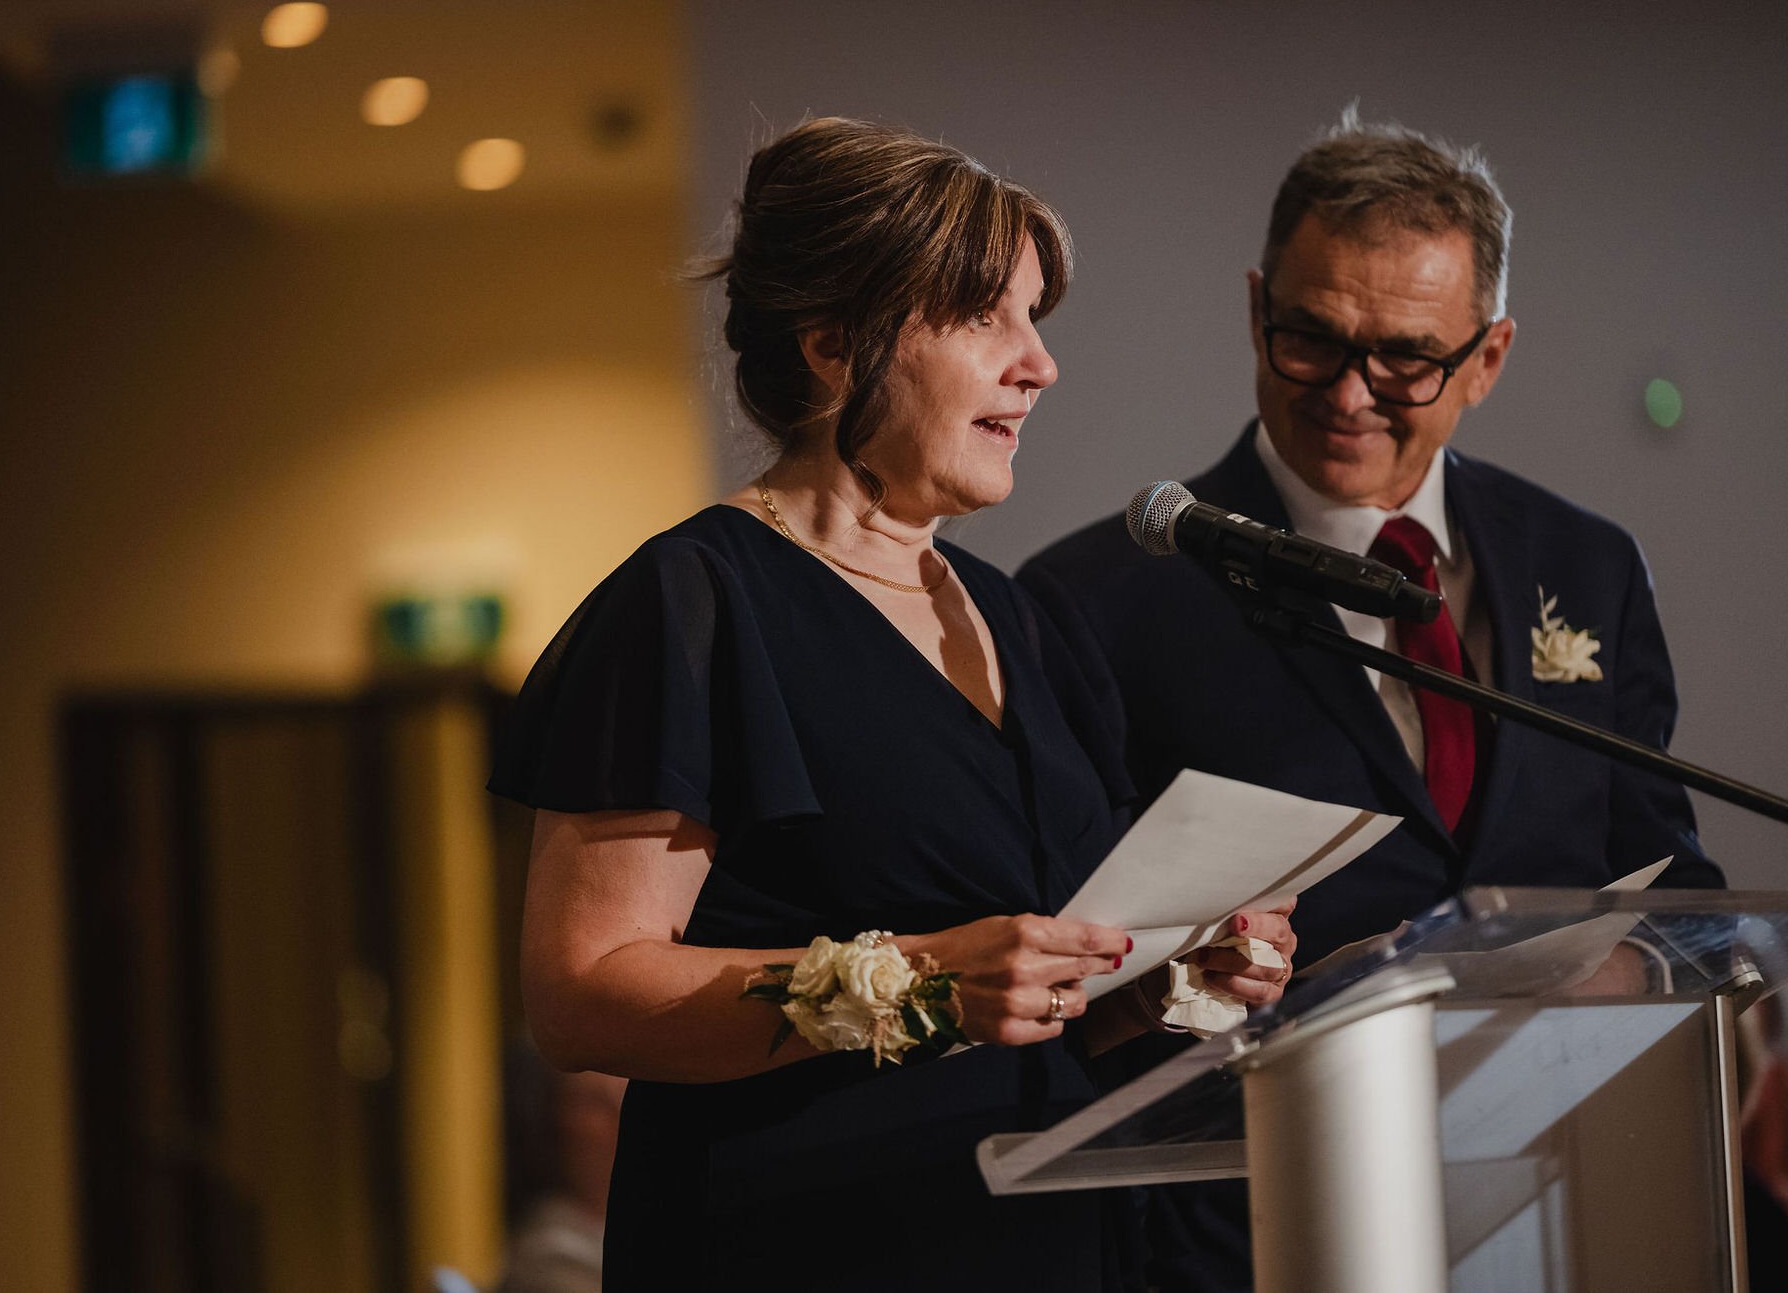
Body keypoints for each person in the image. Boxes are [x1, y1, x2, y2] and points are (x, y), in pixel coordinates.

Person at [490, 117, 1294, 1292]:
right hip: (803, 1246)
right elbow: (582, 993)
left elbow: (1029, 1003)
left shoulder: (1020, 618)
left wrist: (1162, 983)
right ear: (834, 345)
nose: (1038, 363)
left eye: (1034, 317)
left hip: (1045, 1247)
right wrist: (919, 984)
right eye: (985, 318)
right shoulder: (695, 605)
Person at [1018, 110, 1725, 1291]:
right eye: (1309, 338)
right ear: (1257, 309)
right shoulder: (1099, 599)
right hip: (1247, 1227)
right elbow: (1069, 980)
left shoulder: (1585, 563)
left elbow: (1670, 876)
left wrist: (1618, 971)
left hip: (1547, 1206)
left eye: (1403, 357)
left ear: (1486, 358)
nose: (1348, 394)